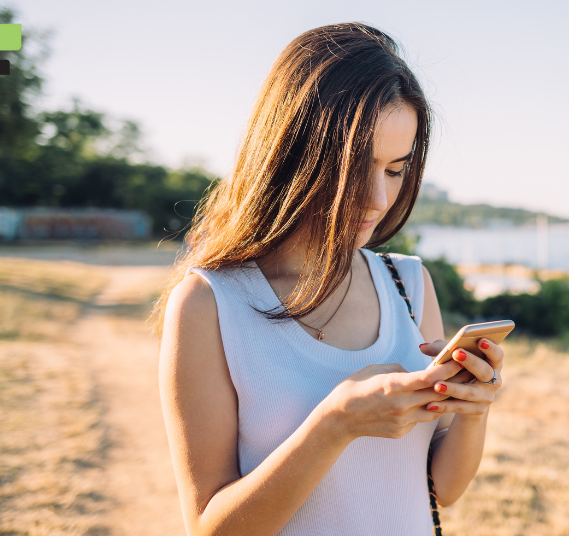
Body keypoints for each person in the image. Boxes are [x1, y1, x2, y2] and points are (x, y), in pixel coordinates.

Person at [149, 23, 505, 535]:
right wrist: (333, 424)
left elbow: (440, 489)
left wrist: (474, 411)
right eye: (356, 165)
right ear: (293, 152)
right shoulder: (210, 304)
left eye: (394, 169)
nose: (378, 200)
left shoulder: (409, 285)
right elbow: (210, 527)